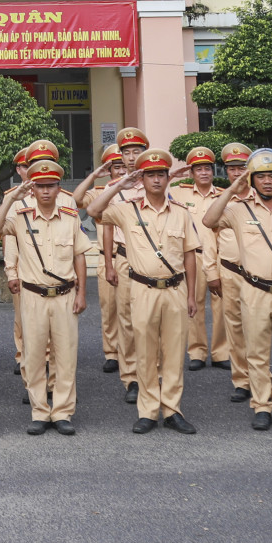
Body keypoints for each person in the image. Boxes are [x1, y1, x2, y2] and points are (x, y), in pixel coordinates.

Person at [202, 148, 272, 432]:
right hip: (253, 290)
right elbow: (209, 220)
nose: (267, 182)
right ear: (252, 180)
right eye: (261, 177)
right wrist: (232, 188)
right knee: (256, 352)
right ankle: (262, 405)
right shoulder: (239, 211)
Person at [86, 149, 201, 434]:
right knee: (146, 353)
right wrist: (119, 186)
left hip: (175, 289)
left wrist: (190, 295)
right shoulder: (128, 209)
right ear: (142, 179)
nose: (157, 180)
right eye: (150, 175)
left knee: (174, 353)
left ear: (167, 178)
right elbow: (93, 211)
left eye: (161, 174)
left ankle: (172, 409)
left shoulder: (182, 214)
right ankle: (148, 411)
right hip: (142, 288)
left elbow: (189, 256)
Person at [0, 158, 89, 435]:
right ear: (32, 189)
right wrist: (12, 199)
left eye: (51, 186)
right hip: (33, 296)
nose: (45, 191)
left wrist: (82, 292)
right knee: (33, 356)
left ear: (59, 188)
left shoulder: (71, 217)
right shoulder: (20, 217)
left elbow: (79, 256)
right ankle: (39, 411)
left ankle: (62, 412)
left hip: (65, 296)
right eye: (40, 186)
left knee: (66, 356)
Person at [106, 126, 150, 403]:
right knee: (127, 320)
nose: (132, 157)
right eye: (127, 152)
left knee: (152, 320)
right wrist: (109, 262)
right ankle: (131, 376)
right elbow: (106, 223)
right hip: (124, 257)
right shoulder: (114, 187)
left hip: (153, 259)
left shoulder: (159, 182)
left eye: (137, 151)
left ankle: (153, 373)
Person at [171, 146, 224, 371]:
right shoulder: (180, 193)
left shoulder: (223, 196)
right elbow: (154, 191)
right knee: (194, 302)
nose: (204, 173)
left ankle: (222, 352)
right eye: (198, 169)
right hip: (193, 257)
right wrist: (173, 175)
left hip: (220, 258)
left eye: (207, 169)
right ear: (191, 173)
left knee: (222, 305)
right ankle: (197, 351)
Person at [77, 141, 127, 377]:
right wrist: (93, 176)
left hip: (133, 258)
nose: (121, 170)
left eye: (123, 165)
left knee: (132, 310)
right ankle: (111, 353)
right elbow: (77, 201)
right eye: (115, 167)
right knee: (109, 309)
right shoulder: (100, 193)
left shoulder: (140, 190)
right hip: (108, 256)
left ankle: (130, 352)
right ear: (109, 170)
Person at [214, 141, 254, 403]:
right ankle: (242, 380)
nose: (237, 173)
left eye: (242, 168)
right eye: (232, 169)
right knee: (236, 326)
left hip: (257, 275)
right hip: (228, 271)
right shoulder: (221, 202)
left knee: (260, 327)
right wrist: (211, 272)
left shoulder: (262, 195)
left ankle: (262, 375)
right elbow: (209, 239)